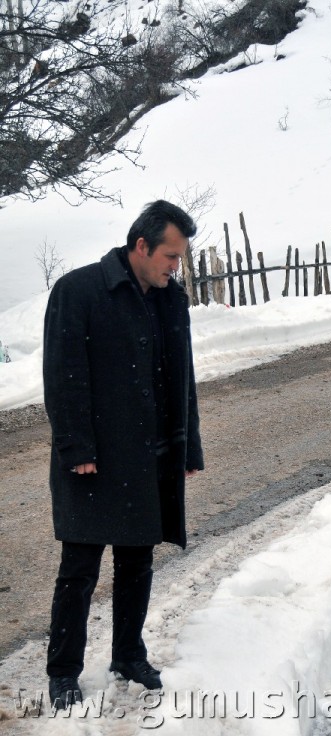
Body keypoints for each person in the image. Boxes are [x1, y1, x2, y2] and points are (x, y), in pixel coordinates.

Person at [43, 200, 204, 708]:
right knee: (80, 567)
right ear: (141, 246)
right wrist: (76, 446)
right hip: (93, 457)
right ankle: (64, 670)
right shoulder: (80, 290)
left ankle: (128, 655)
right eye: (171, 257)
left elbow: (183, 379)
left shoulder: (168, 299)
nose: (175, 267)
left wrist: (188, 443)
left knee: (137, 561)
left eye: (178, 259)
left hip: (148, 455)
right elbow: (63, 374)